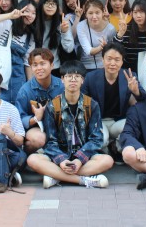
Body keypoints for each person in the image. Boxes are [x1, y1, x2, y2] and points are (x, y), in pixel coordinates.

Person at [28, 60, 113, 189]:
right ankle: (83, 180)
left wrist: (79, 159)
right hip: (59, 156)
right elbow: (50, 141)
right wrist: (61, 160)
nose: (73, 80)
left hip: (84, 155)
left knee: (107, 160)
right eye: (69, 76)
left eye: (77, 76)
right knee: (33, 160)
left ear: (82, 80)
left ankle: (56, 176)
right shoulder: (53, 106)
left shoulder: (91, 104)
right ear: (62, 79)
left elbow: (96, 139)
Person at [82, 43, 144, 159]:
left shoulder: (129, 76)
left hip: (119, 121)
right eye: (109, 59)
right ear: (102, 59)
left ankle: (116, 146)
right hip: (99, 120)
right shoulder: (91, 77)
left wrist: (136, 91)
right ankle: (107, 148)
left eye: (117, 60)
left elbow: (144, 99)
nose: (112, 63)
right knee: (101, 140)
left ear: (122, 61)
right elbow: (81, 101)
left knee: (135, 127)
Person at [0, 0, 37, 104]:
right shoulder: (7, 24)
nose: (30, 15)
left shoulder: (30, 35)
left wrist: (31, 85)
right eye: (27, 11)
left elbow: (27, 62)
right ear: (20, 10)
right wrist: (10, 15)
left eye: (34, 13)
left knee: (18, 108)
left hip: (18, 78)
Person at [15, 48, 64, 154]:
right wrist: (36, 118)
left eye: (42, 64)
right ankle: (29, 157)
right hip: (36, 128)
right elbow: (19, 118)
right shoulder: (25, 90)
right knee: (38, 139)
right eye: (35, 65)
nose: (39, 68)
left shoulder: (62, 85)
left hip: (59, 125)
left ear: (52, 65)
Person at [113, 0, 146, 74]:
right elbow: (114, 52)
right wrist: (120, 34)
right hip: (126, 71)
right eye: (135, 12)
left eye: (141, 12)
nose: (138, 16)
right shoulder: (125, 29)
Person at [34, 0, 75, 74]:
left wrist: (64, 31)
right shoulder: (34, 21)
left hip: (55, 67)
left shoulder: (62, 22)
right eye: (47, 3)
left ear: (57, 7)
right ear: (41, 5)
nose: (50, 6)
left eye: (53, 4)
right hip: (36, 66)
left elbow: (69, 48)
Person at [76, 0, 116, 71]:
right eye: (90, 13)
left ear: (103, 12)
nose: (94, 16)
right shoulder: (81, 26)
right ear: (85, 14)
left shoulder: (110, 28)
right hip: (86, 65)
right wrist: (101, 47)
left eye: (97, 12)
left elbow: (113, 48)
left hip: (106, 66)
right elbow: (88, 51)